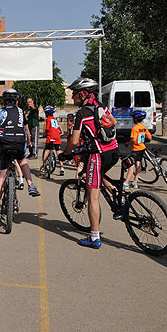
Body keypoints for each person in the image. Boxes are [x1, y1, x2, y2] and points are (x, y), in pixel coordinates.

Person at [60, 78, 119, 249]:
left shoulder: (82, 113)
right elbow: (113, 122)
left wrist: (66, 153)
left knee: (93, 196)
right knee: (98, 174)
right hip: (113, 150)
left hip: (98, 154)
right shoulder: (101, 106)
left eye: (75, 94)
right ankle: (116, 193)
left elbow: (74, 140)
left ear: (83, 94)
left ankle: (94, 237)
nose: (72, 97)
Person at [0, 89, 40, 220]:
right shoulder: (20, 112)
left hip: (5, 144)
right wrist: (28, 143)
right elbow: (27, 130)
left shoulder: (0, 112)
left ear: (4, 102)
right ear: (16, 101)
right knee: (23, 161)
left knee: (1, 176)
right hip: (19, 142)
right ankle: (30, 185)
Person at [123, 110, 152, 190]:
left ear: (135, 119)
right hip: (142, 148)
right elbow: (149, 137)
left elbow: (133, 139)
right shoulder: (143, 127)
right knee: (138, 163)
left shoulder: (134, 128)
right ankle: (135, 182)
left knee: (131, 165)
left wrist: (128, 143)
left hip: (135, 149)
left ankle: (126, 183)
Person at [40, 106, 65, 176]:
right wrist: (62, 132)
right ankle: (62, 167)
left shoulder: (48, 119)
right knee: (58, 151)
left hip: (51, 136)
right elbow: (59, 127)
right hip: (57, 136)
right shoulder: (55, 119)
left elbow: (47, 129)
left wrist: (44, 134)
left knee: (47, 150)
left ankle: (44, 165)